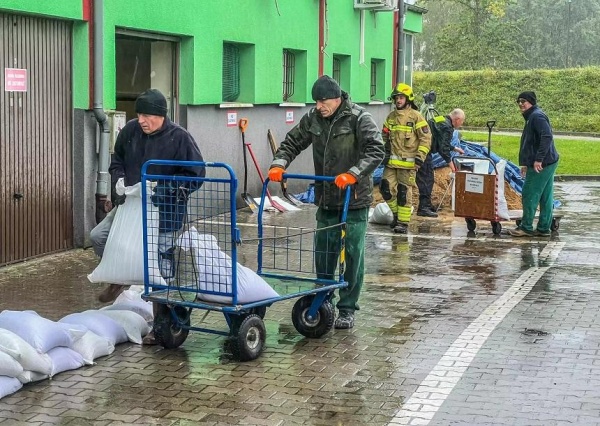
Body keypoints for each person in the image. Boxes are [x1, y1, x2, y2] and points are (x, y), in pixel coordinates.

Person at [267, 75, 384, 330]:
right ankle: (324, 299)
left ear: (337, 98)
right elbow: (292, 141)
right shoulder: (314, 119)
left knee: (352, 253)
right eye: (316, 101)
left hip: (353, 200)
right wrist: (279, 163)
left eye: (323, 101)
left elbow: (376, 149)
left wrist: (354, 173)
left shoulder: (358, 117)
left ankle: (348, 308)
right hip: (327, 199)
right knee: (325, 252)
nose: (319, 106)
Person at [89, 88, 205, 343]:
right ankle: (120, 277)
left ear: (161, 115)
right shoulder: (130, 131)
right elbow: (116, 160)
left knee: (159, 269)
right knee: (99, 236)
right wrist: (119, 181)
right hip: (130, 206)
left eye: (146, 115)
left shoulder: (180, 138)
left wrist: (164, 189)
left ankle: (160, 325)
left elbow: (196, 175)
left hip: (165, 213)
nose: (141, 120)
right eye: (139, 114)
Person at [380, 83, 431, 234]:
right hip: (391, 163)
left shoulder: (416, 117)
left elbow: (426, 138)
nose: (398, 100)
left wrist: (419, 158)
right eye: (396, 98)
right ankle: (396, 214)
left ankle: (403, 223)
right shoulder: (391, 117)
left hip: (408, 165)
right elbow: (384, 136)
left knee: (403, 192)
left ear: (408, 99)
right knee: (385, 188)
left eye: (401, 97)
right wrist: (384, 152)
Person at [509, 91, 559, 237]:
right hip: (548, 161)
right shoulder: (532, 116)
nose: (520, 104)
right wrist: (525, 162)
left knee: (529, 193)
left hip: (542, 163)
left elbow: (547, 136)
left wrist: (538, 159)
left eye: (523, 101)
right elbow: (530, 142)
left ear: (531, 101)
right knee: (545, 196)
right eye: (518, 101)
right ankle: (543, 228)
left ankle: (526, 227)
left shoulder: (536, 116)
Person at [416, 108, 466, 217]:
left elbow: (439, 141)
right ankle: (423, 208)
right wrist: (452, 166)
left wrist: (454, 148)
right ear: (457, 119)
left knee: (427, 177)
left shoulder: (440, 119)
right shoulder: (447, 127)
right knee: (426, 179)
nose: (461, 124)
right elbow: (443, 149)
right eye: (462, 121)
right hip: (422, 151)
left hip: (421, 148)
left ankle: (427, 205)